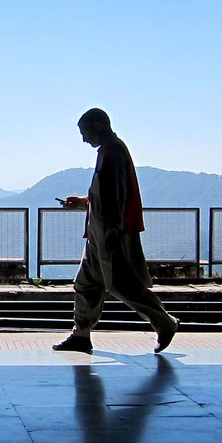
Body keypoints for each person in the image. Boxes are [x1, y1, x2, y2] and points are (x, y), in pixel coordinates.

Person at [52, 108, 180, 355]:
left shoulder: (114, 151)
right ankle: (81, 334)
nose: (84, 139)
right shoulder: (107, 152)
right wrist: (83, 202)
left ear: (99, 125)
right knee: (86, 283)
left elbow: (119, 195)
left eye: (85, 132)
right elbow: (106, 195)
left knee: (122, 285)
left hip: (109, 233)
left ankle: (165, 323)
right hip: (97, 232)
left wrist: (113, 231)